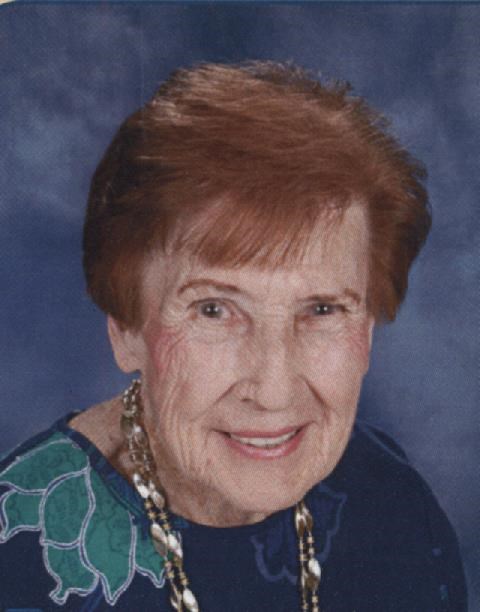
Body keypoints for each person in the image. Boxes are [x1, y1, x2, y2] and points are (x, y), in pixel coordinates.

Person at [0, 61, 467, 611]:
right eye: (214, 310)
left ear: (367, 327)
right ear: (126, 328)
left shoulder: (391, 502)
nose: (273, 391)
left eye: (322, 309)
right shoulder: (19, 560)